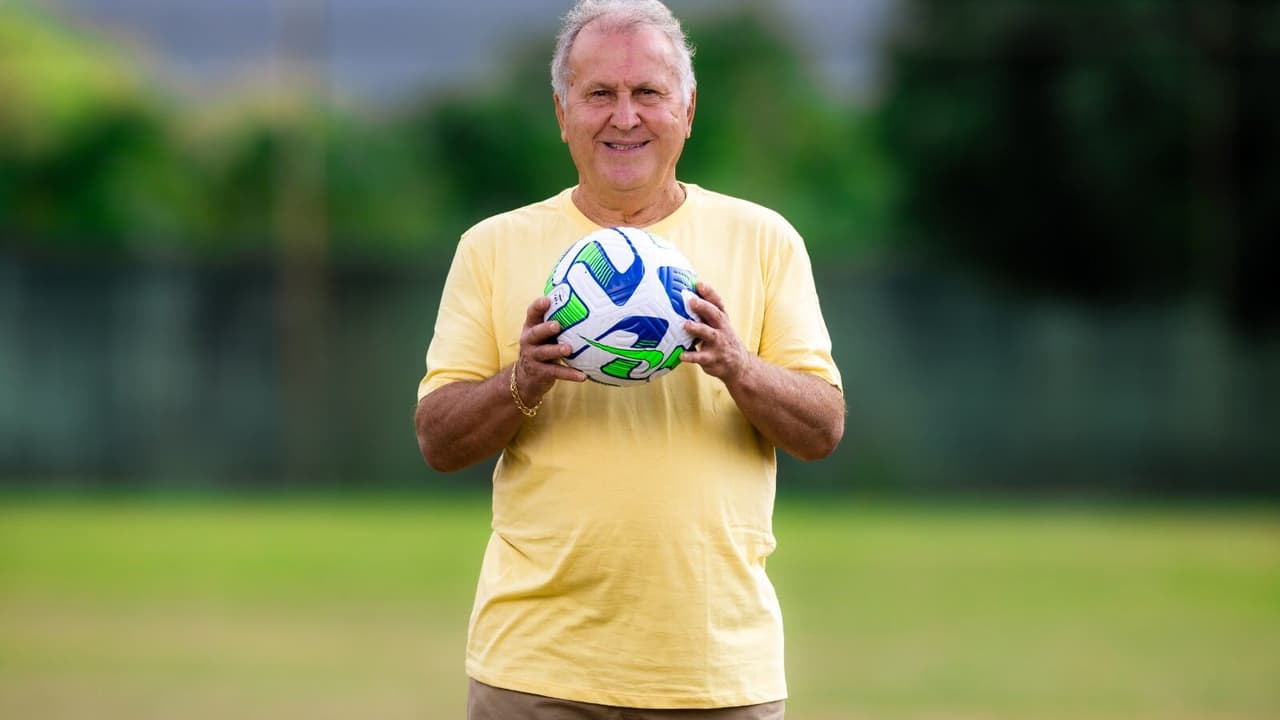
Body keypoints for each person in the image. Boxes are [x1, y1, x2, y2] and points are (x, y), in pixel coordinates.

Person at [414, 1, 844, 717]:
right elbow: (437, 440)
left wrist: (738, 365)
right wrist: (523, 380)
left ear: (688, 108)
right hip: (535, 674)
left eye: (647, 92)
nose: (624, 117)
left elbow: (823, 427)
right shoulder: (491, 246)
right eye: (599, 94)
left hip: (717, 676)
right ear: (561, 111)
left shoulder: (765, 240)